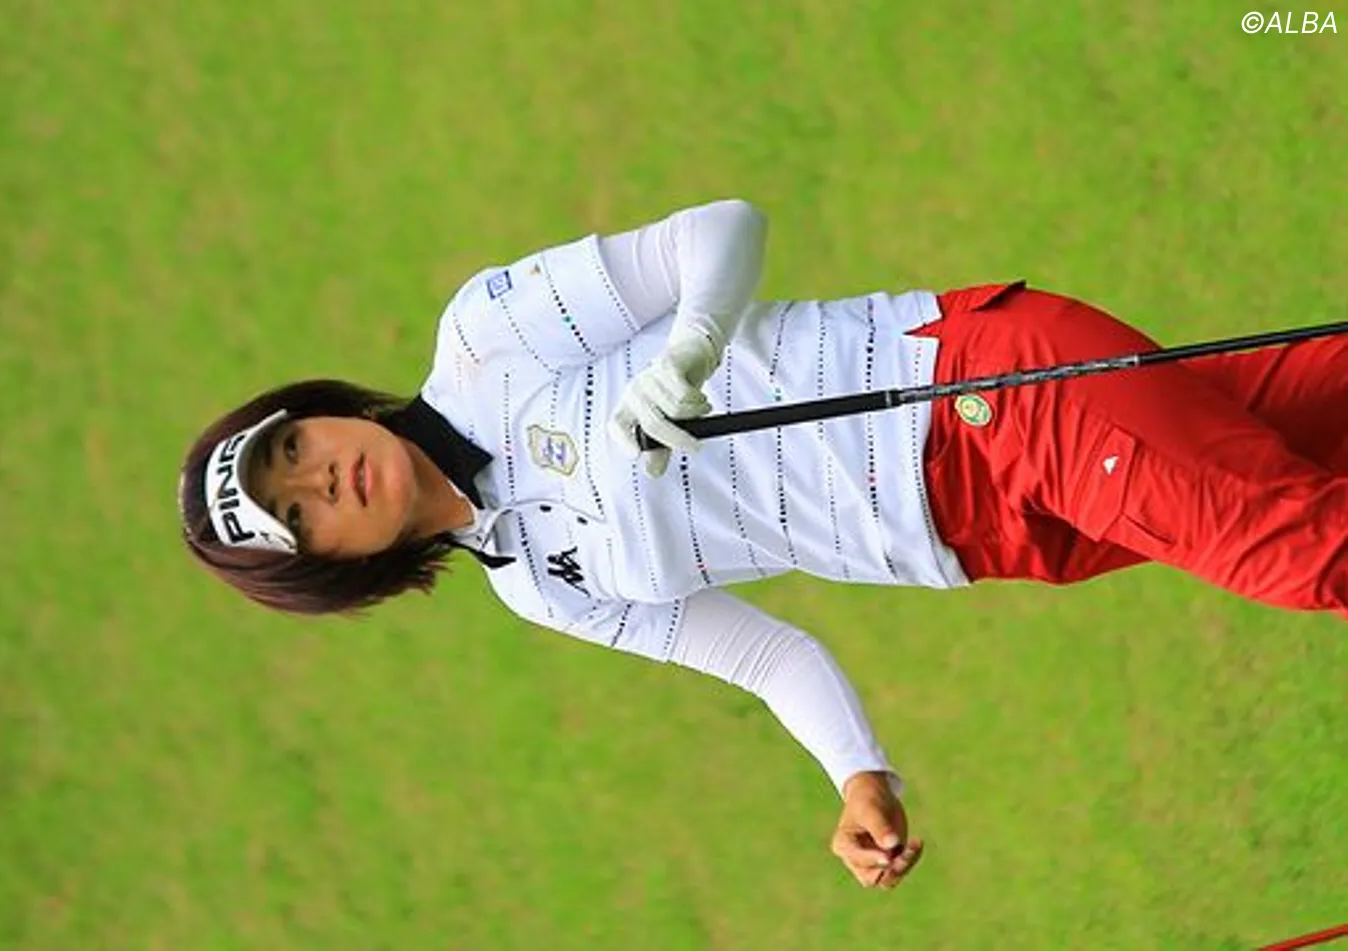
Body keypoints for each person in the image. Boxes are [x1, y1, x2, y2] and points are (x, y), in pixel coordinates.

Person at [177, 199, 1348, 892]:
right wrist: (856, 776)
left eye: (294, 450)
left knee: (1304, 556)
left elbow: (720, 231)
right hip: (989, 535)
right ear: (334, 565)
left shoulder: (485, 339)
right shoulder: (541, 591)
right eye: (299, 514)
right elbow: (763, 656)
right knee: (1321, 421)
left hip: (977, 391)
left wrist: (685, 356)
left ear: (315, 413)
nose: (321, 478)